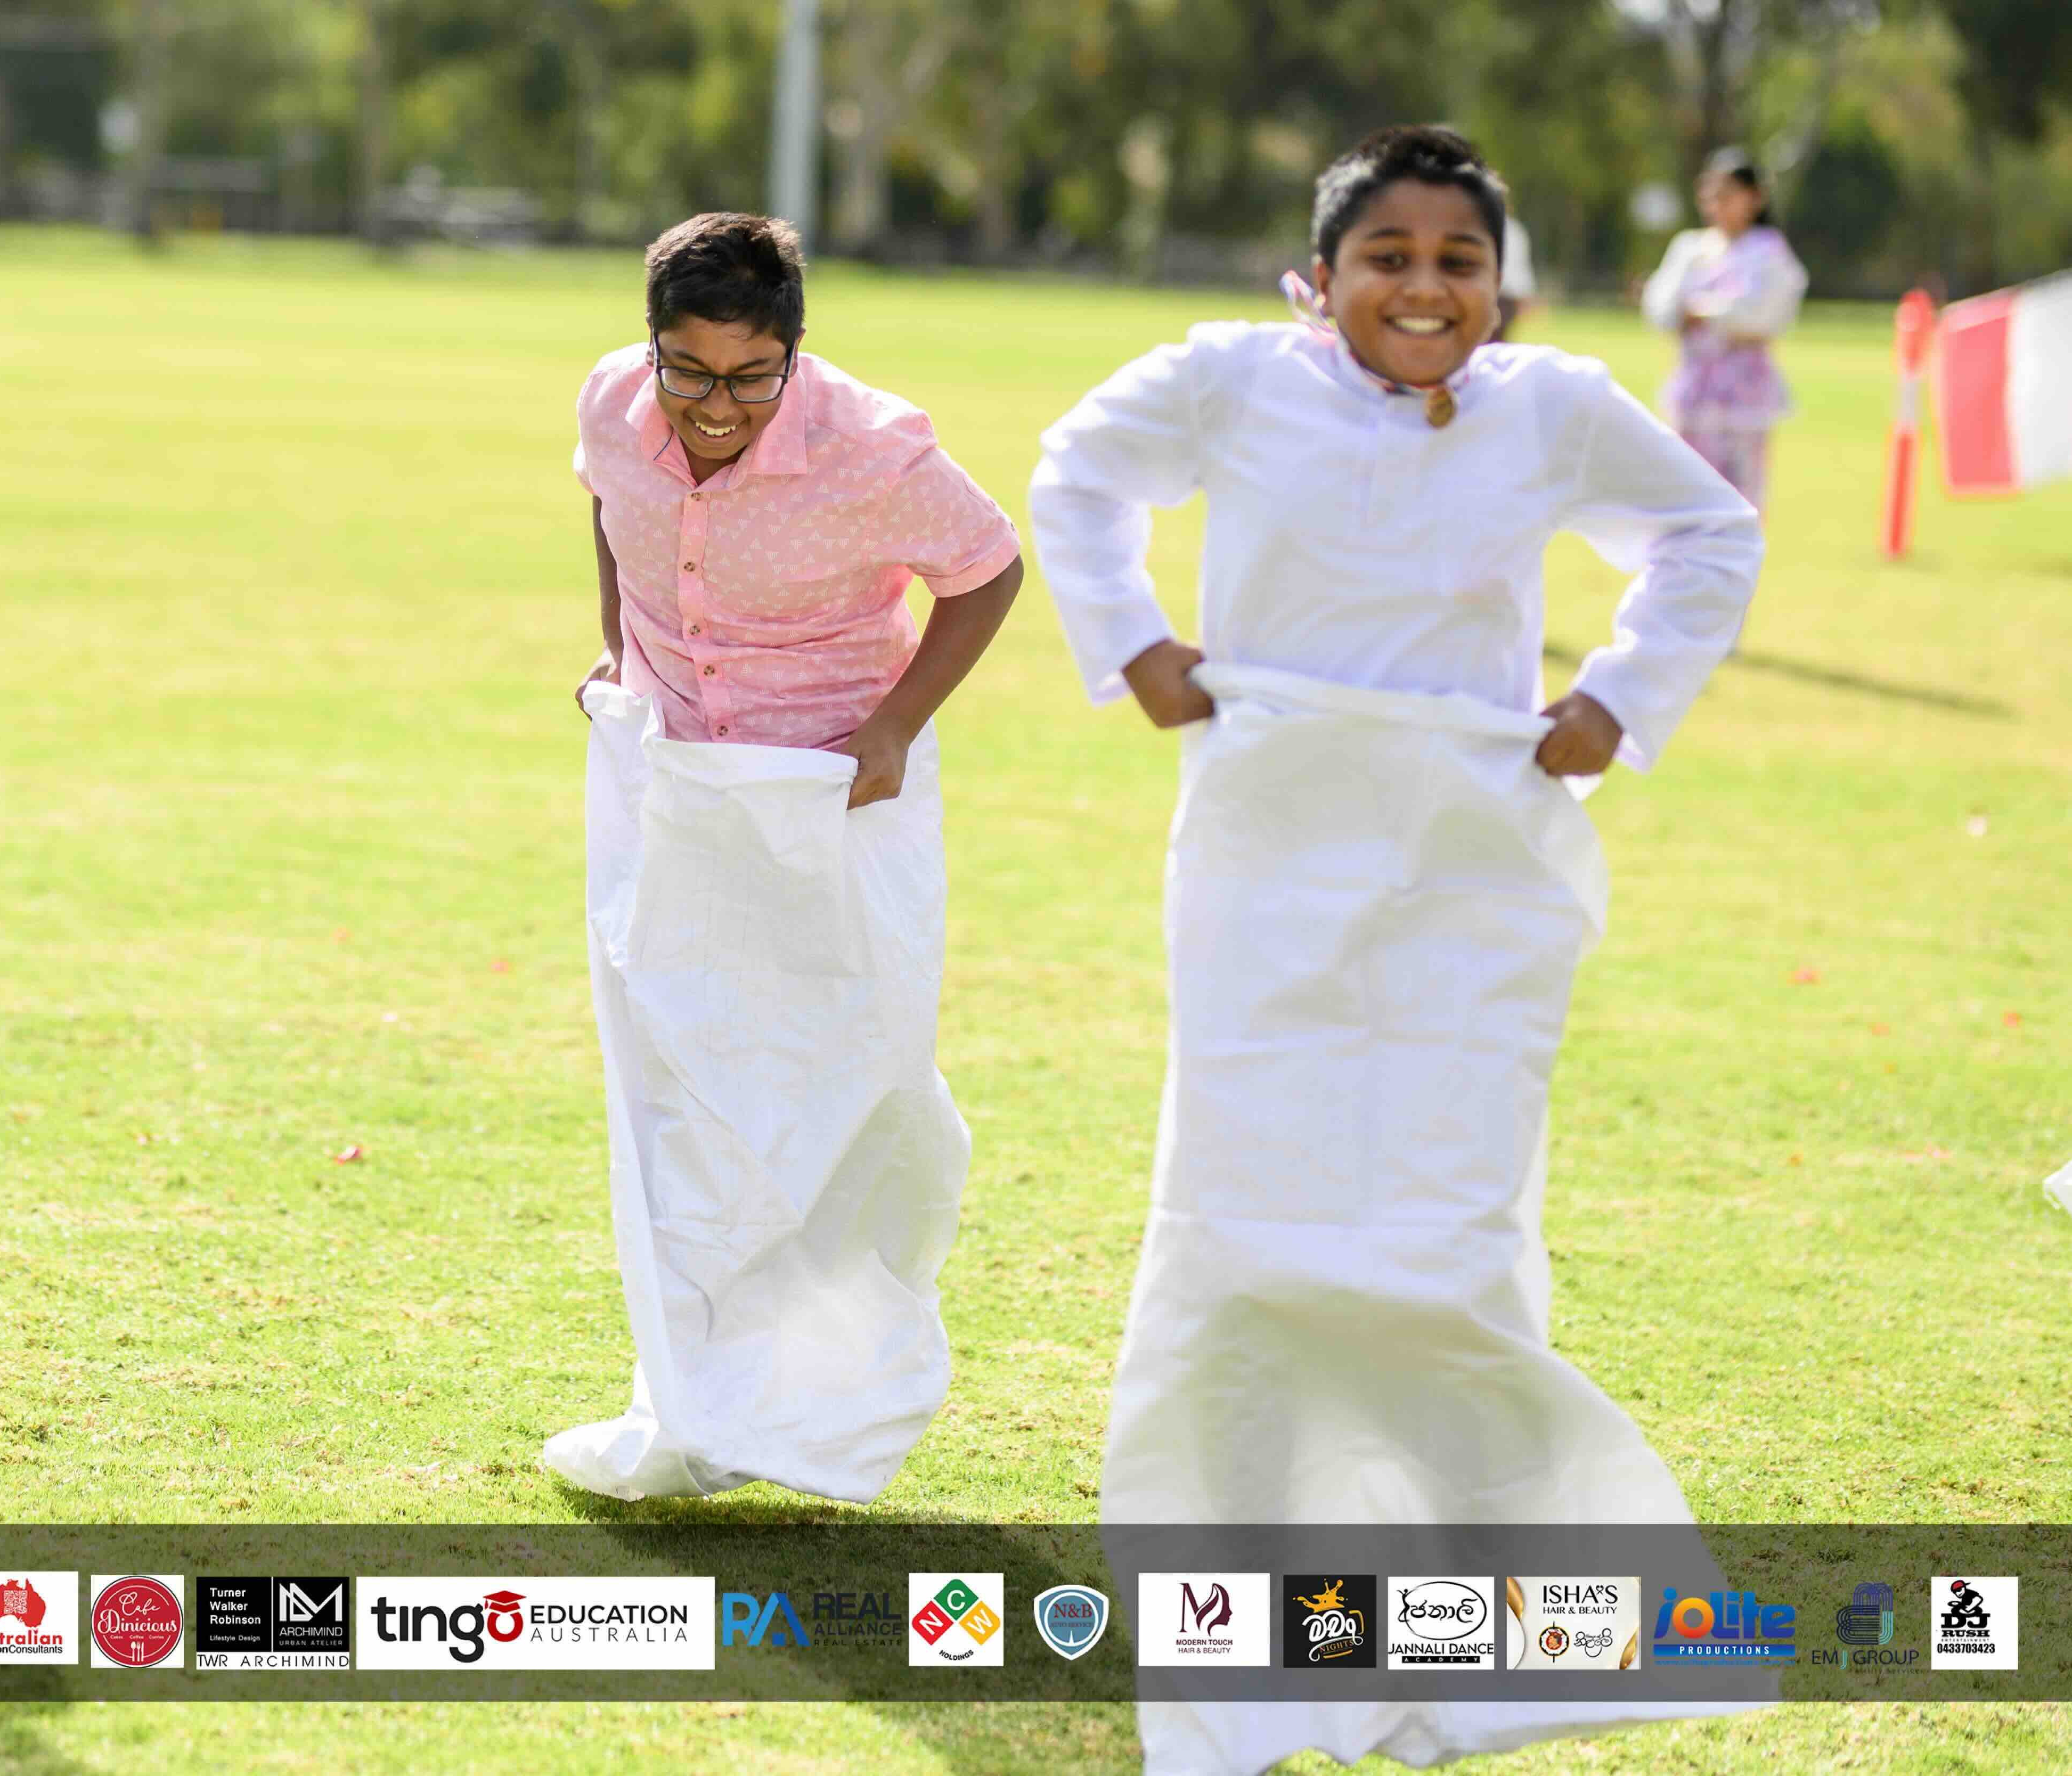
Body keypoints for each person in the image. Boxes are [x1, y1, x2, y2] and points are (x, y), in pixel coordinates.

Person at [1032, 128, 1765, 1773]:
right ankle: (1242, 1588)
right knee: (1244, 1202)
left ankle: (1478, 1595)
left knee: (1448, 1210)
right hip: (1267, 850)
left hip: (1472, 867)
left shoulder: (1551, 405)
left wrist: (1617, 701)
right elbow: (1077, 473)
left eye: (1457, 262)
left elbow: (1711, 533)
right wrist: (1135, 646)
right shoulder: (1232, 380)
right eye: (1388, 257)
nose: (1423, 289)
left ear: (1499, 286)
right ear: (1321, 278)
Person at [545, 211, 1023, 1503]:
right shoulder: (610, 400)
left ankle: (835, 1391)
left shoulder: (874, 448)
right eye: (690, 373)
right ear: (652, 345)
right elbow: (609, 498)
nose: (717, 408)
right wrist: (620, 644)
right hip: (680, 784)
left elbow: (987, 570)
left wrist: (894, 724)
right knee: (681, 1087)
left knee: (856, 1083)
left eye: (752, 378)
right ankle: (699, 1403)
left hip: (835, 793)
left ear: (793, 355)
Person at [1641, 146, 1808, 504]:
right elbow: (1660, 304)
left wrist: (1708, 314)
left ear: (1754, 198)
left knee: (1740, 494)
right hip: (1695, 390)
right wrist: (1683, 314)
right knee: (1686, 490)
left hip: (1744, 394)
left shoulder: (1769, 251)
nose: (1719, 203)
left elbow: (1769, 315)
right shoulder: (1690, 247)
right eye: (1712, 193)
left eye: (1729, 194)